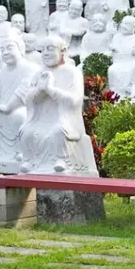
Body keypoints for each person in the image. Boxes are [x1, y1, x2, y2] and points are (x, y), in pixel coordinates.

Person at [19, 35, 98, 175]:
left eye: (50, 48)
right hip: (41, 118)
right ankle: (30, 161)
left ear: (63, 51)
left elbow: (75, 100)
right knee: (26, 131)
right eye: (42, 50)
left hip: (64, 118)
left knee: (59, 131)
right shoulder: (38, 74)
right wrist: (40, 90)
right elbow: (28, 100)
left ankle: (61, 159)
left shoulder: (72, 73)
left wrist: (51, 90)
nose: (46, 53)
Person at [0, 32, 40, 174]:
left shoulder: (31, 68)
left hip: (24, 107)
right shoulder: (3, 70)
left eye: (9, 48)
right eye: (2, 49)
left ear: (20, 49)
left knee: (19, 116)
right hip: (3, 107)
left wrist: (8, 107)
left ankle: (22, 153)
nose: (5, 52)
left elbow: (23, 91)